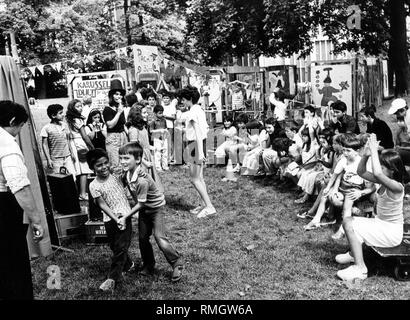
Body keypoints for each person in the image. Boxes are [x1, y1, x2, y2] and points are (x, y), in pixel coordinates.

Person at [335, 134, 406, 281]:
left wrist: (374, 150)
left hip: (391, 233)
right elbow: (361, 172)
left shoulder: (397, 187)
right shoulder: (384, 180)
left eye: (383, 166)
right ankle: (354, 255)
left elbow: (378, 173)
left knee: (349, 223)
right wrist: (366, 155)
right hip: (382, 225)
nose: (379, 168)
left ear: (392, 170)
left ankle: (360, 269)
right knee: (348, 220)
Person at [118, 142, 184, 282]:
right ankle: (149, 265)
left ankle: (176, 262)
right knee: (142, 239)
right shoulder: (127, 174)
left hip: (155, 209)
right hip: (144, 210)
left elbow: (140, 203)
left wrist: (125, 216)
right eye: (121, 158)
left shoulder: (142, 180)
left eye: (126, 158)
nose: (122, 161)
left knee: (159, 237)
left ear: (137, 159)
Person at [0, 100, 44, 300]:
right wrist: (36, 220)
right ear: (12, 121)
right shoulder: (7, 144)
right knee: (13, 259)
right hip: (3, 206)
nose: (19, 131)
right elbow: (20, 187)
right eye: (20, 126)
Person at [87, 148, 135, 292]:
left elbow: (130, 169)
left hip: (124, 215)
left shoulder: (116, 175)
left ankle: (112, 278)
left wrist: (121, 218)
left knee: (120, 248)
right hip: (110, 219)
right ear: (92, 168)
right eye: (99, 165)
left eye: (106, 163)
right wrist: (115, 218)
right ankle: (129, 264)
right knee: (114, 246)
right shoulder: (93, 185)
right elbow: (102, 204)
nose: (104, 167)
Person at [178, 85, 216, 218]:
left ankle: (210, 206)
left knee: (194, 179)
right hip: (197, 144)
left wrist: (200, 152)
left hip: (195, 145)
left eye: (183, 99)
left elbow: (198, 132)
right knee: (199, 178)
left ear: (188, 99)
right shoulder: (197, 109)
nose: (181, 102)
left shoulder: (193, 112)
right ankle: (204, 204)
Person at [127, 104, 164, 193]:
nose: (146, 115)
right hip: (140, 158)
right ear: (137, 115)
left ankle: (150, 198)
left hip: (147, 155)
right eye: (144, 113)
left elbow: (143, 142)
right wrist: (144, 162)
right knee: (143, 181)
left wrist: (151, 147)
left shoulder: (142, 127)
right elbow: (134, 149)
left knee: (150, 180)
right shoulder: (134, 130)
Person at [66, 99, 94, 201]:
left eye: (81, 106)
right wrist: (91, 147)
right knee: (84, 170)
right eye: (77, 106)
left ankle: (80, 192)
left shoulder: (69, 119)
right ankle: (83, 193)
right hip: (80, 144)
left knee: (78, 170)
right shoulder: (78, 120)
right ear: (72, 108)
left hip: (72, 144)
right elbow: (85, 136)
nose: (80, 108)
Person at [40, 104, 76, 177]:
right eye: (60, 113)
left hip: (67, 157)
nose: (63, 115)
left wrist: (72, 153)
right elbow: (44, 145)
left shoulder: (64, 125)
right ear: (53, 116)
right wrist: (48, 159)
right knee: (60, 179)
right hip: (56, 159)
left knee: (72, 176)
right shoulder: (47, 128)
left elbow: (68, 140)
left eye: (62, 112)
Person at [103, 79, 128, 174]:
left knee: (125, 163)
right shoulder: (107, 109)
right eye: (116, 94)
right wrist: (118, 113)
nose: (119, 96)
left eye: (120, 94)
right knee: (116, 165)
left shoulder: (120, 108)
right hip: (113, 138)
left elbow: (123, 124)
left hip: (122, 136)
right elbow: (110, 125)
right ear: (111, 95)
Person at [149, 105, 169, 172]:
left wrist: (165, 131)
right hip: (157, 138)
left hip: (164, 138)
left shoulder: (164, 120)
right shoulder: (153, 121)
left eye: (162, 113)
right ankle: (158, 167)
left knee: (165, 152)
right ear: (155, 113)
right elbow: (151, 131)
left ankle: (165, 166)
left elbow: (166, 128)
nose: (161, 114)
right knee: (157, 153)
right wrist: (159, 130)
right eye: (159, 113)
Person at [161, 91, 177, 165]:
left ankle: (172, 157)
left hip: (170, 126)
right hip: (162, 126)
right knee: (163, 142)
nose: (166, 100)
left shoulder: (172, 106)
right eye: (164, 98)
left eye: (167, 98)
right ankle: (165, 158)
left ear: (170, 99)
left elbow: (174, 117)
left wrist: (165, 116)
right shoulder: (161, 106)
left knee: (170, 142)